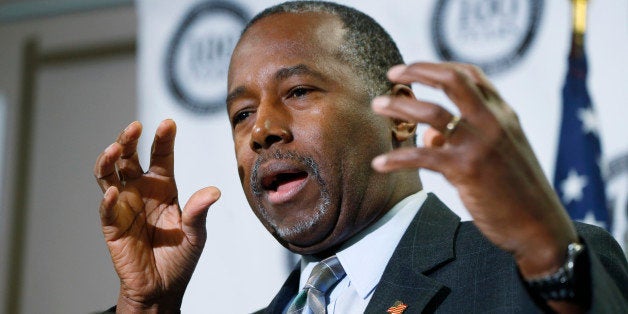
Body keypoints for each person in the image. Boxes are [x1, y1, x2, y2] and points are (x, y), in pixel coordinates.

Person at [93, 1, 627, 313]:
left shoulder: (526, 271)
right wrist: (144, 310)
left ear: (401, 116)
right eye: (240, 114)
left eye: (299, 91)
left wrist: (546, 248)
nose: (262, 130)